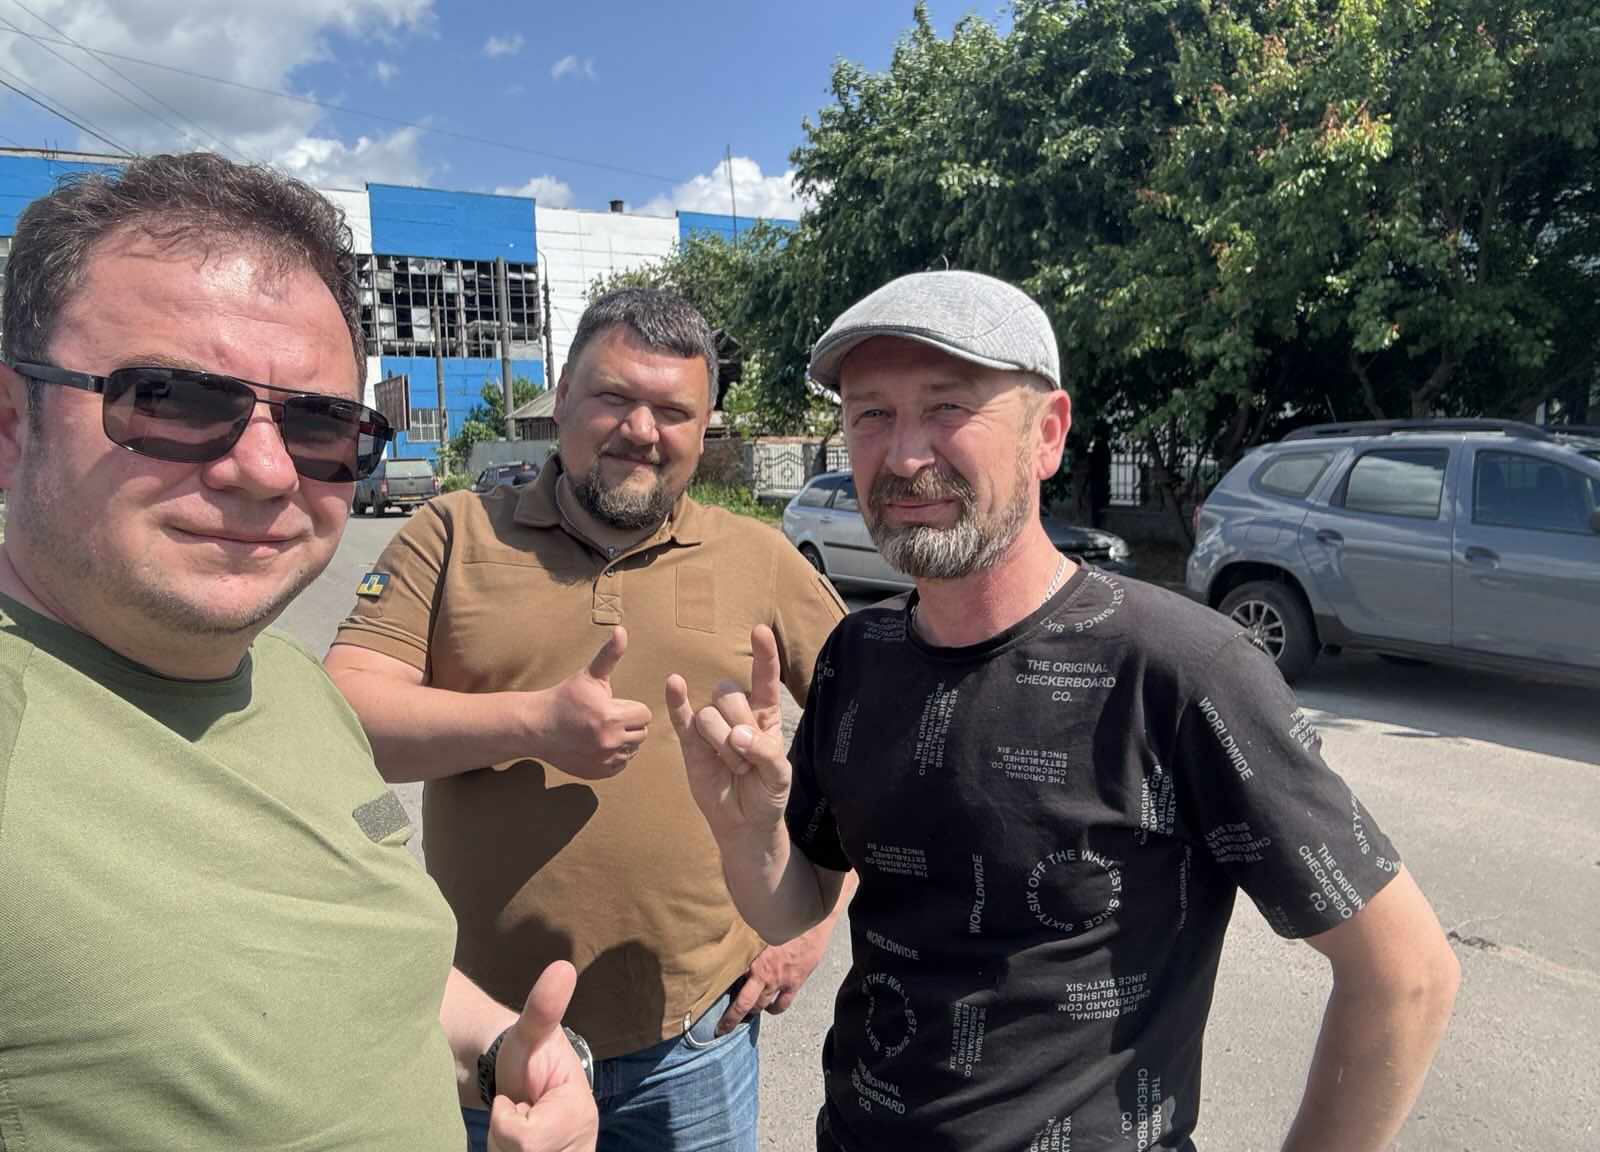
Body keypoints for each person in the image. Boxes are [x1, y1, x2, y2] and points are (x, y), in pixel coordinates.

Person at [668, 270, 1460, 1152]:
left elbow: (1406, 975)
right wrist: (747, 835)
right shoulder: (859, 655)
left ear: (1046, 435)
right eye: (871, 415)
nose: (903, 455)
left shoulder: (1182, 670)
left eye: (946, 407)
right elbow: (796, 908)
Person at [0, 153, 596, 1152]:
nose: (268, 471)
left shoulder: (289, 682)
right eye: (174, 400)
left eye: (321, 425)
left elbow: (361, 954)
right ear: (11, 424)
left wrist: (501, 1050)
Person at [325, 287, 850, 1152]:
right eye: (614, 397)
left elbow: (873, 738)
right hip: (492, 1044)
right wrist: (531, 724)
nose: (642, 430)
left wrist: (817, 920)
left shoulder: (756, 557)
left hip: (693, 1041)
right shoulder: (452, 533)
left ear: (705, 427)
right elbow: (344, 714)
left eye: (673, 411)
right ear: (562, 397)